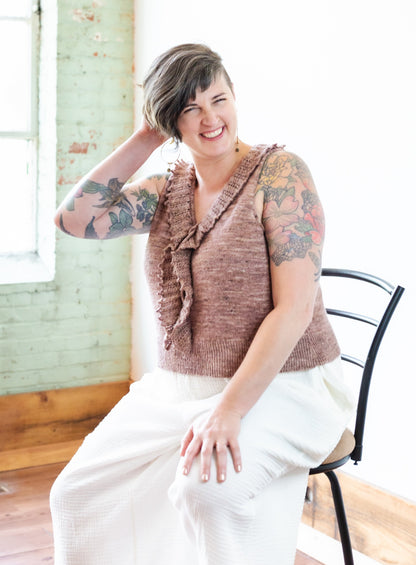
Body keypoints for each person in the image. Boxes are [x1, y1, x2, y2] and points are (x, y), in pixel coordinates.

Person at [50, 43, 354, 565]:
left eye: (219, 99)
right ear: (171, 120)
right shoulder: (167, 192)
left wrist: (229, 411)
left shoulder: (280, 176)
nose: (211, 119)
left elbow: (294, 311)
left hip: (284, 384)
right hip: (181, 385)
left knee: (203, 494)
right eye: (189, 108)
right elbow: (75, 219)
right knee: (75, 492)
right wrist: (147, 132)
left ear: (235, 95)